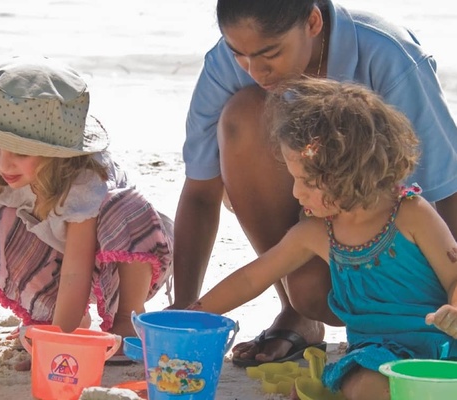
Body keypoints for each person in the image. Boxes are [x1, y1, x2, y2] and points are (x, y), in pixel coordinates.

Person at [171, 0, 457, 366]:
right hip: (363, 322)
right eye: (239, 55)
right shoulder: (311, 234)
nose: (255, 70)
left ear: (313, 22)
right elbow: (247, 274)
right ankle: (296, 312)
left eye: (269, 53)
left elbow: (446, 189)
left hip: (422, 308)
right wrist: (185, 314)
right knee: (243, 115)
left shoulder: (391, 56)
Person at [187, 78, 457, 400]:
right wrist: (193, 315)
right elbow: (251, 278)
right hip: (376, 355)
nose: (296, 192)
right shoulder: (315, 234)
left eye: (307, 181)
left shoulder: (411, 213)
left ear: (349, 173)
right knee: (368, 387)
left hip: (443, 347)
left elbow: (454, 275)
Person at [0, 56, 174, 367]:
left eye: (20, 152)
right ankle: (53, 318)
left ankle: (126, 320)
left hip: (126, 258)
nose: (3, 163)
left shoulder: (83, 182)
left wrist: (56, 345)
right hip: (63, 254)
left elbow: (76, 273)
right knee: (5, 220)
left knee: (125, 207)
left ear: (56, 154)